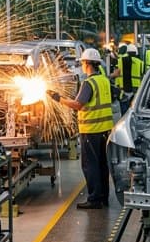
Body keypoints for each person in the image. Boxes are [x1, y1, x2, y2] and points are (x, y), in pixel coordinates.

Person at [48, 48, 114, 210]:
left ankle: (94, 199)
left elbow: (78, 105)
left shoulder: (89, 83)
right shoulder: (103, 79)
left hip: (91, 130)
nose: (82, 66)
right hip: (105, 129)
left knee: (90, 165)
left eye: (82, 63)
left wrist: (58, 98)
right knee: (102, 165)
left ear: (87, 63)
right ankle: (103, 197)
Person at [110, 43, 145, 115]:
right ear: (136, 53)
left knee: (124, 115)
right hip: (135, 92)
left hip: (123, 91)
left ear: (127, 52)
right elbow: (143, 76)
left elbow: (116, 73)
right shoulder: (141, 63)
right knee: (134, 113)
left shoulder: (120, 60)